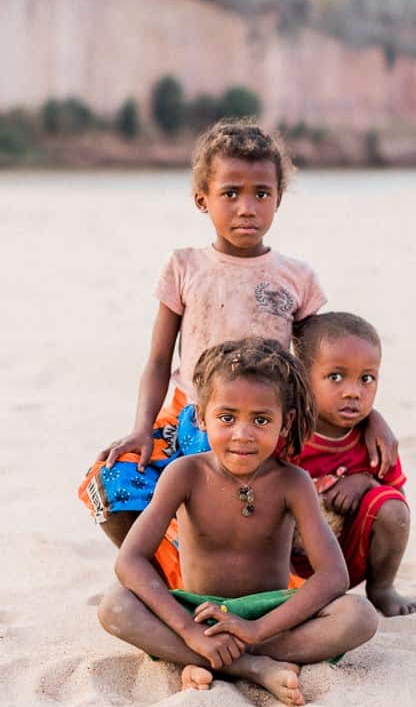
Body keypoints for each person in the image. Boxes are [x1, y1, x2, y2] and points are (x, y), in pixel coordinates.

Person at [76, 118, 398, 564]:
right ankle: (173, 572)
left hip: (263, 423)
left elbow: (326, 364)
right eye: (231, 193)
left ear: (278, 199)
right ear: (201, 200)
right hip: (189, 415)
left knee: (243, 502)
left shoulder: (295, 278)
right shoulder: (184, 268)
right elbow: (157, 360)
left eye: (261, 194)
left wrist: (371, 417)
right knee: (112, 481)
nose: (247, 207)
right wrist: (141, 427)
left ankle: (247, 573)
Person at [96, 338, 379, 704]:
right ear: (201, 416)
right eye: (227, 418)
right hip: (196, 612)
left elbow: (332, 576)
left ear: (284, 422)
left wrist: (256, 629)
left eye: (260, 420)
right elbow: (130, 560)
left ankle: (213, 661)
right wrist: (188, 630)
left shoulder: (292, 483)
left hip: (270, 616)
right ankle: (251, 667)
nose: (242, 434)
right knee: (114, 607)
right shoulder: (185, 474)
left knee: (359, 615)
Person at [292, 312, 416, 617]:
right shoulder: (288, 433)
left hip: (344, 559)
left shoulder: (376, 442)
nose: (353, 392)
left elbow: (398, 511)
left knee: (391, 506)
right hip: (281, 560)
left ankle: (382, 589)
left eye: (367, 378)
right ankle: (290, 589)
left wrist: (365, 482)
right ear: (303, 376)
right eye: (335, 377)